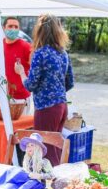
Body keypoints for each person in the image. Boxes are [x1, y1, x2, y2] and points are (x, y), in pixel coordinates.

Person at [14, 14, 74, 164]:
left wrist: (21, 72)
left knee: (44, 149)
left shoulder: (40, 53)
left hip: (46, 108)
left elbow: (31, 85)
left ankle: (48, 182)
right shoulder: (63, 53)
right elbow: (70, 82)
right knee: (56, 147)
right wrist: (56, 91)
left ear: (39, 31)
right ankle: (58, 179)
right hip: (61, 106)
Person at [0, 16, 32, 102]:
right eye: (10, 26)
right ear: (4, 28)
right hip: (1, 95)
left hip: (20, 98)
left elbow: (35, 67)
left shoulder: (26, 47)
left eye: (16, 27)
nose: (13, 29)